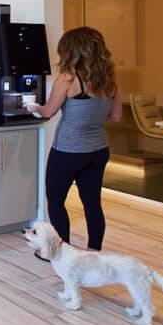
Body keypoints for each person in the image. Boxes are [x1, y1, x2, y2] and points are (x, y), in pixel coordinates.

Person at [26, 27, 122, 254]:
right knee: (92, 204)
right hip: (98, 150)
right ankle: (94, 254)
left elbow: (48, 111)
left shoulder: (68, 79)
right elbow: (116, 116)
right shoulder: (111, 81)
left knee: (56, 201)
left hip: (68, 151)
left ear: (71, 50)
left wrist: (32, 107)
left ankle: (62, 254)